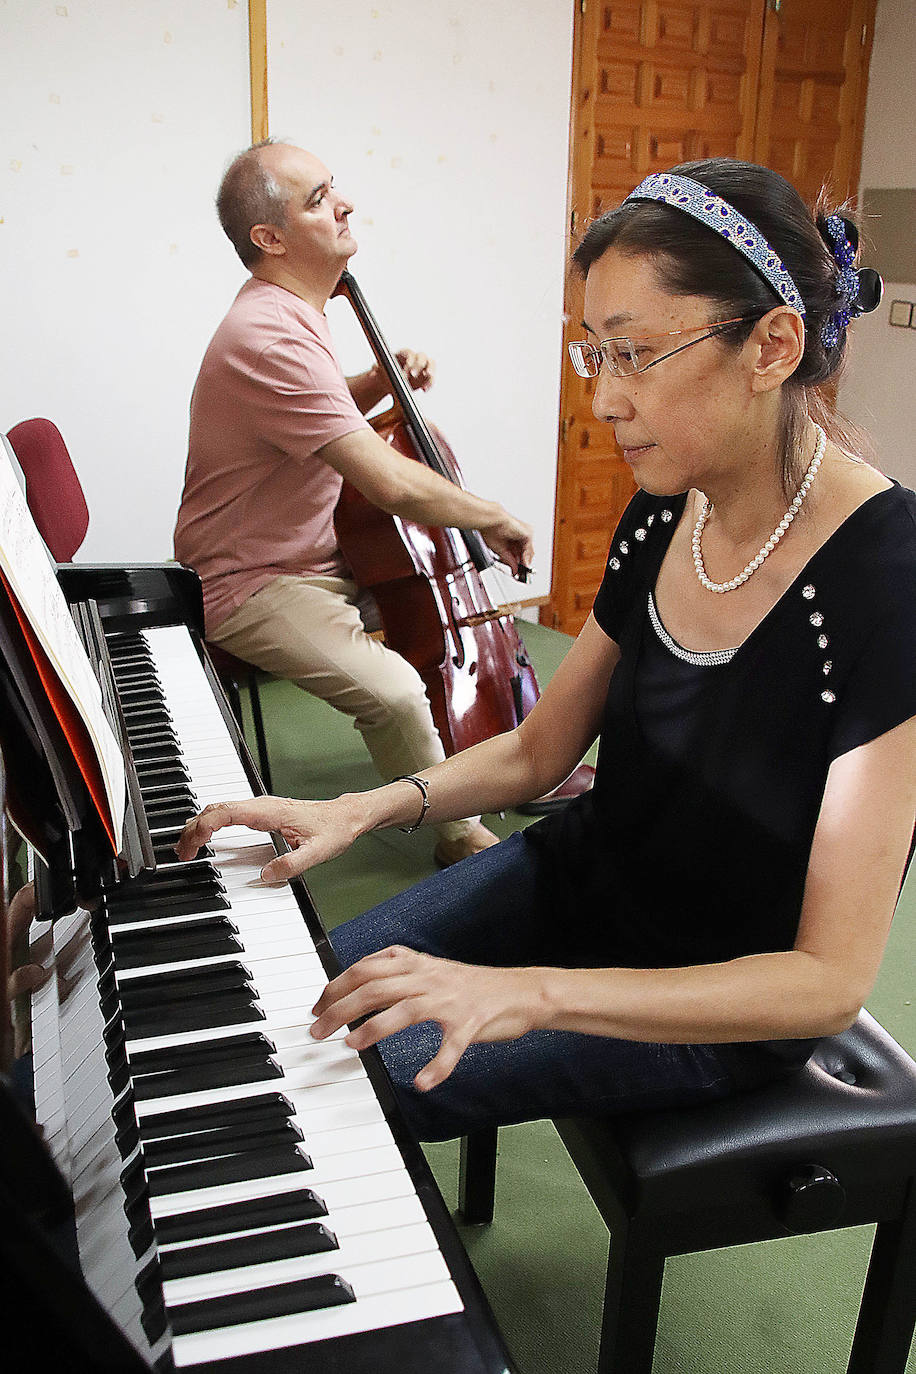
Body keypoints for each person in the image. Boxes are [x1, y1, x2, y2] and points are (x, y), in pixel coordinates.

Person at [177, 158, 916, 1144]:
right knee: (274, 1006)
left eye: (635, 354)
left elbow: (824, 981)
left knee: (302, 1096)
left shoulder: (890, 580)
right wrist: (358, 808)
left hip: (714, 998)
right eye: (592, 354)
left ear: (772, 346)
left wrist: (530, 992)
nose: (604, 401)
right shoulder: (667, 511)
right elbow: (537, 755)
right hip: (586, 877)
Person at [174, 139, 536, 868]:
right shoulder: (269, 333)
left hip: (314, 552)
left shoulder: (291, 312)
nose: (343, 203)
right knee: (400, 695)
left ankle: (475, 758)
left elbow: (312, 409)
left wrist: (377, 380)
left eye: (334, 187)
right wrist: (495, 515)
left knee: (426, 604)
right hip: (252, 582)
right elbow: (392, 484)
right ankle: (455, 838)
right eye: (317, 199)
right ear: (269, 239)